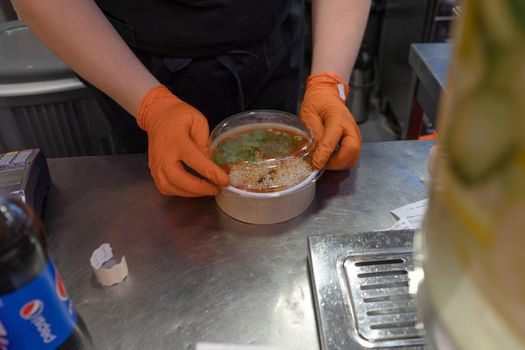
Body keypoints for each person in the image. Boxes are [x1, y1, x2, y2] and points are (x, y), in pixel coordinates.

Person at [12, 0, 370, 197]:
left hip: (271, 39)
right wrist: (151, 106)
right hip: (136, 63)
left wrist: (328, 81)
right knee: (170, 199)